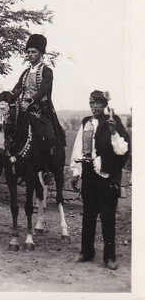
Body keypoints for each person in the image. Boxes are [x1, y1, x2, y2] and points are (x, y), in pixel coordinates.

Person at [70, 90, 130, 270]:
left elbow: (122, 150)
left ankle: (109, 257)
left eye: (97, 103)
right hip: (89, 177)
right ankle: (87, 252)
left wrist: (113, 132)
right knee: (88, 215)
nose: (94, 106)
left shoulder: (114, 121)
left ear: (104, 105)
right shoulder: (86, 123)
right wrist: (76, 172)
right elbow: (78, 148)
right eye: (91, 103)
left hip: (107, 178)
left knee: (108, 217)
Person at [9, 34, 65, 156]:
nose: (30, 54)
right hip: (24, 111)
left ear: (41, 54)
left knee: (50, 137)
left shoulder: (47, 71)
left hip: (41, 111)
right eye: (28, 52)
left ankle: (48, 164)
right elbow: (17, 89)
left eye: (33, 52)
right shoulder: (25, 72)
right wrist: (7, 97)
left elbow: (43, 91)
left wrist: (29, 101)